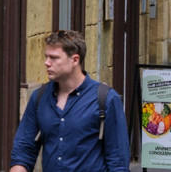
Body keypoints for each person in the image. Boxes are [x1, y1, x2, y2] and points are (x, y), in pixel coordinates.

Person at [10, 30, 130, 172]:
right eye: (46, 57)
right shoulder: (39, 98)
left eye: (54, 58)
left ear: (74, 60)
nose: (46, 63)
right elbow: (23, 150)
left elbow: (118, 162)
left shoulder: (106, 99)